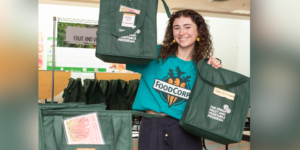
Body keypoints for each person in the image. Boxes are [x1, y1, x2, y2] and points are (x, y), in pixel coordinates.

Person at [127, 9, 222, 150]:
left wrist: (216, 70)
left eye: (187, 27)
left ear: (199, 32)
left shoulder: (204, 66)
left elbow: (212, 100)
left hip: (187, 128)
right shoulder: (155, 54)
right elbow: (122, 51)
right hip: (153, 126)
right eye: (176, 28)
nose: (181, 32)